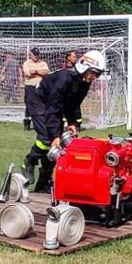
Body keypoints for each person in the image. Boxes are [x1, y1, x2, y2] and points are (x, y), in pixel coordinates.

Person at [23, 49, 107, 193]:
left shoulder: (84, 83)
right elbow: (53, 107)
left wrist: (73, 123)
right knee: (47, 139)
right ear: (85, 67)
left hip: (52, 104)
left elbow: (73, 104)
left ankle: (43, 182)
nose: (95, 77)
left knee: (58, 145)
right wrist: (55, 135)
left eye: (98, 75)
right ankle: (29, 162)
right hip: (39, 101)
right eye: (94, 73)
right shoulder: (64, 78)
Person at [20, 49, 49, 130]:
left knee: (42, 105)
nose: (36, 56)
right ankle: (27, 124)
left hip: (41, 87)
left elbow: (46, 72)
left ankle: (42, 123)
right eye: (34, 54)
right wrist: (39, 73)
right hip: (30, 87)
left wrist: (35, 71)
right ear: (31, 55)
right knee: (29, 106)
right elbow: (28, 74)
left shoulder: (43, 63)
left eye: (37, 54)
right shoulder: (27, 63)